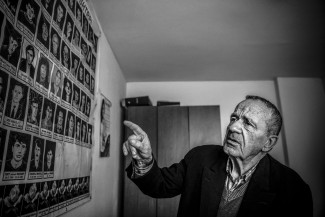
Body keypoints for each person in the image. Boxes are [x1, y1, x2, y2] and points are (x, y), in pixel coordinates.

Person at [123, 95, 313, 217]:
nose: (232, 127)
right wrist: (145, 160)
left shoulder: (294, 189)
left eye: (248, 123)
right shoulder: (200, 157)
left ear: (268, 143)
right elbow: (160, 186)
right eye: (234, 118)